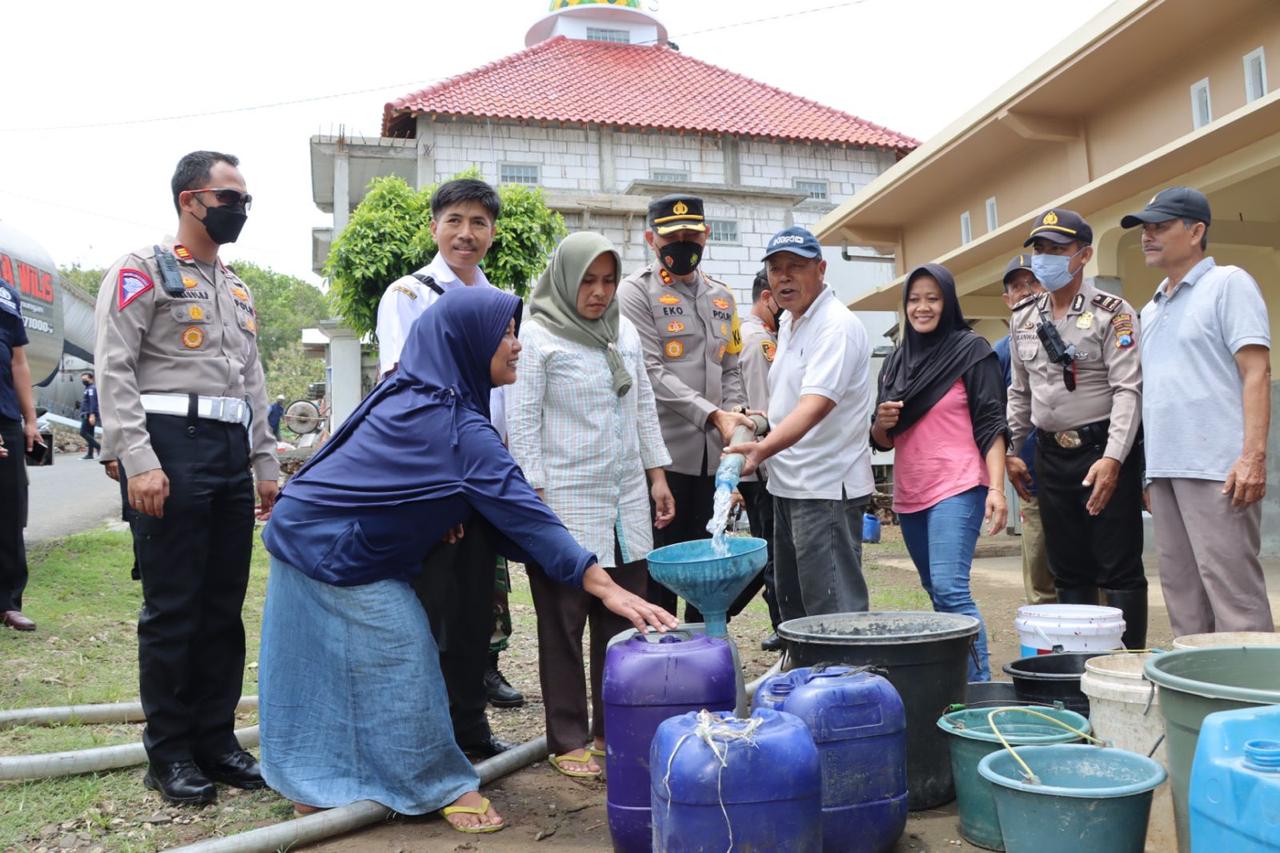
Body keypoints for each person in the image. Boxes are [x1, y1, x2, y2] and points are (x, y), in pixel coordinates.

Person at [259, 286, 676, 832]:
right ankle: (439, 783)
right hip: (328, 545)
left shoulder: (412, 391)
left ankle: (320, 785)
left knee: (331, 667)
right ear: (467, 342)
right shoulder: (454, 423)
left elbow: (426, 484)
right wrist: (605, 586)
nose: (517, 345)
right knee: (400, 655)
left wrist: (447, 507)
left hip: (313, 532)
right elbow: (526, 515)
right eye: (505, 334)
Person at [93, 150, 278, 805]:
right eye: (229, 198)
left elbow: (253, 380)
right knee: (173, 608)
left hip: (229, 448)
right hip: (169, 445)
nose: (240, 209)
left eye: (245, 200)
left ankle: (216, 740)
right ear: (190, 200)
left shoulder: (235, 287)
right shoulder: (141, 270)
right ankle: (169, 752)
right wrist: (137, 459)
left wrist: (264, 461)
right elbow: (114, 367)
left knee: (222, 606)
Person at [508, 232, 674, 778]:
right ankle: (567, 739)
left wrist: (656, 476)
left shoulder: (623, 331)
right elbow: (523, 424)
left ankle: (610, 729)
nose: (599, 292)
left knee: (621, 625)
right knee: (562, 627)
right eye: (588, 282)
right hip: (565, 505)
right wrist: (534, 504)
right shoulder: (538, 336)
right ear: (564, 280)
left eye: (608, 281)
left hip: (625, 502)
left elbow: (643, 405)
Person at [374, 178, 523, 752]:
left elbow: (505, 399)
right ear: (434, 226)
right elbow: (408, 393)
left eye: (479, 222)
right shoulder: (409, 294)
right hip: (436, 476)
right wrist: (438, 490)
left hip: (484, 473)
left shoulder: (499, 301)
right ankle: (429, 739)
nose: (466, 233)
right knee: (433, 609)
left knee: (474, 610)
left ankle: (471, 727)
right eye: (455, 220)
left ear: (493, 232)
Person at [1124, 187, 1274, 635]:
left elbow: (1257, 372)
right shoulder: (1151, 308)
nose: (1148, 236)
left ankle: (1255, 681)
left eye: (1160, 226)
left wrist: (1253, 457)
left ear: (1196, 231)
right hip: (1166, 471)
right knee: (1183, 598)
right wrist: (1149, 472)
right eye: (1145, 229)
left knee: (1233, 598)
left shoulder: (1228, 284)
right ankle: (1197, 680)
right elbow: (1154, 394)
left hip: (1218, 471)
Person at [1006, 208, 1147, 650]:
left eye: (1057, 249)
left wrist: (1114, 458)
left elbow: (1128, 390)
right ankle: (1079, 664)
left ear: (1083, 255)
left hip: (1102, 451)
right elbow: (1019, 392)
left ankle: (1126, 666)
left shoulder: (1113, 313)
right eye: (1040, 249)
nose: (1045, 258)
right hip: (1050, 456)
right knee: (1067, 569)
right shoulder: (1024, 318)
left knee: (1117, 567)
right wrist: (1011, 449)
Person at [724, 227, 874, 621]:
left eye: (796, 266)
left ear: (821, 270)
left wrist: (762, 449)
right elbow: (788, 404)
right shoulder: (791, 323)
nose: (784, 277)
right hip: (789, 484)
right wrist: (759, 422)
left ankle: (843, 662)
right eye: (776, 269)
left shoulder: (835, 326)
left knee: (832, 610)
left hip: (825, 488)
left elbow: (815, 406)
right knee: (794, 607)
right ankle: (802, 661)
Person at [871, 264, 1008, 681]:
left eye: (933, 298)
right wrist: (881, 423)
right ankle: (955, 681)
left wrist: (996, 488)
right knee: (935, 591)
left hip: (959, 484)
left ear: (948, 302)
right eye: (914, 299)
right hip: (911, 491)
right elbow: (882, 440)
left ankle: (979, 687)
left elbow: (991, 421)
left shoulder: (971, 350)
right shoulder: (895, 363)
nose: (922, 307)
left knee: (951, 589)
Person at [618, 193, 750, 618]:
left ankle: (705, 643)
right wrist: (712, 414)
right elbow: (650, 372)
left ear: (706, 235)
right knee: (661, 571)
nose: (682, 244)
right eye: (671, 237)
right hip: (662, 460)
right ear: (651, 240)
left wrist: (734, 415)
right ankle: (664, 650)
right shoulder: (635, 293)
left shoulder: (723, 296)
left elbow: (731, 367)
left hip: (716, 462)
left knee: (709, 568)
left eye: (691, 235)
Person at [992, 255, 1055, 605]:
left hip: (1080, 468)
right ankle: (1042, 629)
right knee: (1039, 558)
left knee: (1087, 560)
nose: (1027, 291)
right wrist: (1008, 455)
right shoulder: (1000, 353)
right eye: (1017, 286)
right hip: (1031, 474)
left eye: (1033, 282)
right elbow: (993, 412)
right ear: (1007, 299)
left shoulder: (1071, 334)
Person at [735, 269, 783, 650]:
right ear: (767, 298)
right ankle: (783, 627)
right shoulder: (759, 341)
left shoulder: (749, 335)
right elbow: (763, 406)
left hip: (758, 464)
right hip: (763, 465)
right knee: (773, 550)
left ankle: (782, 625)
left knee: (771, 548)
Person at [0, 277, 41, 632]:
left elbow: (19, 362)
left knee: (10, 511)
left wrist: (30, 419)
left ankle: (7, 603)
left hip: (7, 416)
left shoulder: (6, 293)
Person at [80, 372, 101, 459]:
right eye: (82, 379)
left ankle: (99, 447)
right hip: (87, 413)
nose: (83, 381)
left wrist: (92, 415)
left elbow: (93, 402)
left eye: (85, 379)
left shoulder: (92, 388)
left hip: (88, 414)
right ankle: (90, 454)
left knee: (83, 432)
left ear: (91, 378)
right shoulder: (87, 388)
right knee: (90, 434)